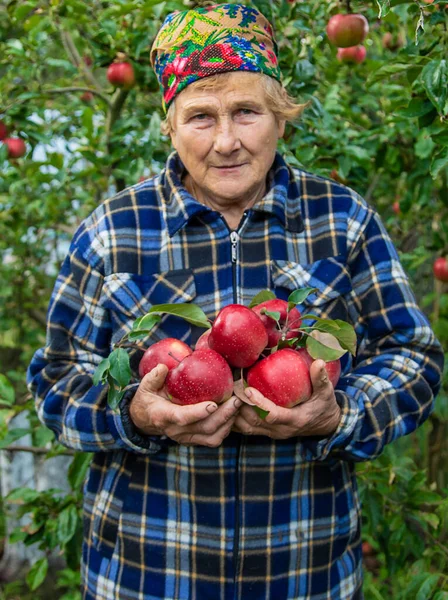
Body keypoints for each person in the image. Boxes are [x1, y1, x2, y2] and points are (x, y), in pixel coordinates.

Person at [27, 4, 443, 599]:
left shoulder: (343, 220)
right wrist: (133, 416)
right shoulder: (112, 231)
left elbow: (414, 356)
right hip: (150, 577)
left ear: (280, 117)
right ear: (169, 125)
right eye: (200, 116)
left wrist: (340, 415)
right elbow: (55, 380)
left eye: (246, 111)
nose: (226, 141)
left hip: (304, 576)